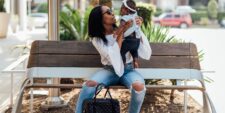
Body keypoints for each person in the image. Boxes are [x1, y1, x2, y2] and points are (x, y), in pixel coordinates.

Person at [75, 5, 152, 113]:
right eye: (108, 12)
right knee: (89, 85)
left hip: (128, 70)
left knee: (139, 87)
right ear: (99, 18)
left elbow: (144, 51)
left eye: (111, 10)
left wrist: (137, 29)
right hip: (109, 70)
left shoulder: (128, 27)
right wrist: (121, 32)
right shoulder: (97, 39)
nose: (112, 13)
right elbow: (112, 56)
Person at [120, 0, 143, 68]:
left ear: (126, 9)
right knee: (134, 51)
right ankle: (135, 61)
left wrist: (117, 32)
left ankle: (123, 64)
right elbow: (141, 18)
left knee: (122, 52)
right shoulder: (136, 16)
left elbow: (121, 28)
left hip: (129, 40)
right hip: (137, 41)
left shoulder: (124, 18)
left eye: (121, 9)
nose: (121, 11)